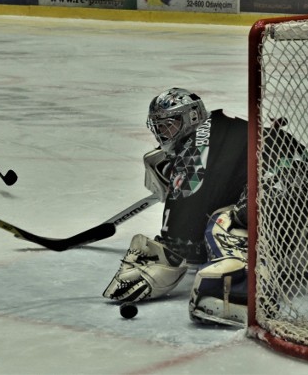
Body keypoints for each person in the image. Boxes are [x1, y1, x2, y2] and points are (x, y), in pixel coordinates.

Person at [102, 88, 250, 326]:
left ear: (191, 117)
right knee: (160, 163)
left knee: (225, 225)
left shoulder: (198, 147)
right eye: (158, 126)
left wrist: (169, 252)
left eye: (169, 124)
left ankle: (237, 290)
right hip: (287, 179)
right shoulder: (210, 132)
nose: (162, 132)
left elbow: (182, 238)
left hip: (280, 182)